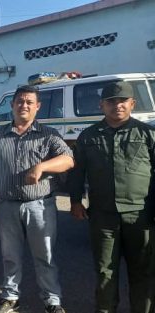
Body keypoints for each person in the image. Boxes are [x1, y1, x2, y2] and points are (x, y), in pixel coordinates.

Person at [0, 85, 74, 313]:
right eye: (20, 101)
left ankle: (52, 300)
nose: (24, 106)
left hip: (40, 205)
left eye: (29, 102)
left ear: (37, 107)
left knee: (45, 256)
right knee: (10, 256)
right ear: (12, 105)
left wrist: (42, 166)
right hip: (6, 205)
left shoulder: (48, 134)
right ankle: (10, 297)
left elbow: (68, 160)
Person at [68, 81, 155, 313]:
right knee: (105, 271)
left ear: (132, 104)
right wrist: (75, 200)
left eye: (123, 101)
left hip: (141, 215)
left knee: (143, 271)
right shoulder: (88, 136)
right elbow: (77, 172)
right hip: (103, 216)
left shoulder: (148, 134)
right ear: (102, 105)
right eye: (111, 101)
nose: (117, 105)